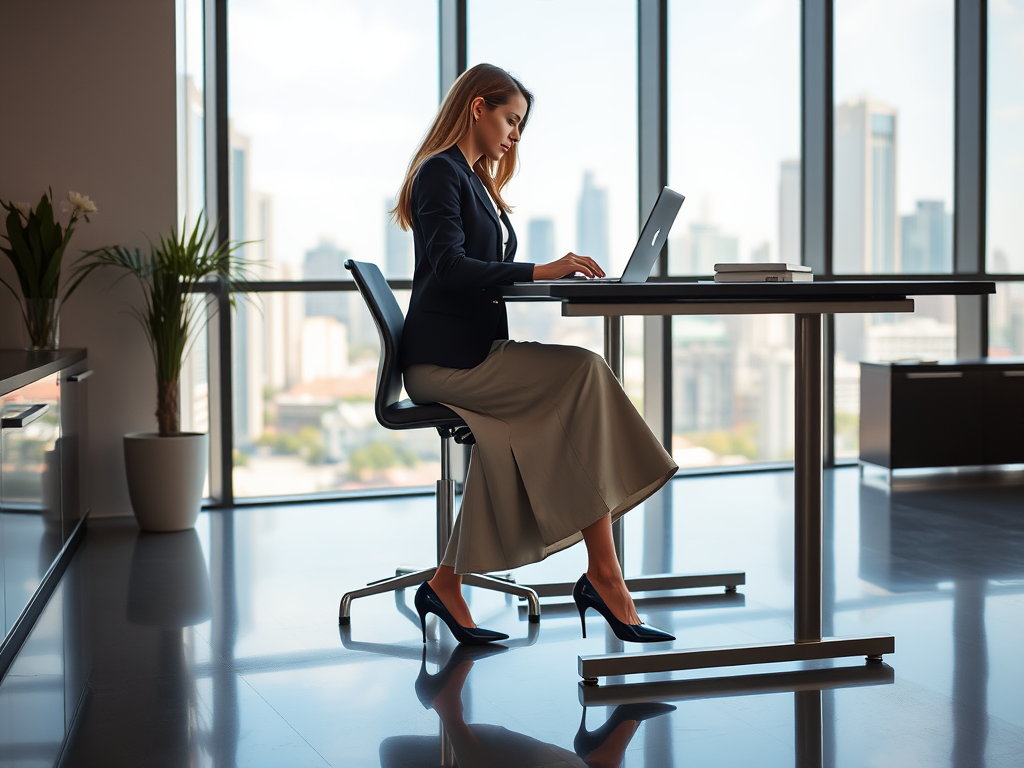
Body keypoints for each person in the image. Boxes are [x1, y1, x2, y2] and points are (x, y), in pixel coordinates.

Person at [394, 63, 678, 645]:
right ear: (478, 107)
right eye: (510, 119)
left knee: (554, 409)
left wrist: (545, 276)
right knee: (583, 373)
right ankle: (605, 575)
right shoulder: (438, 174)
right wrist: (541, 270)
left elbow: (476, 271)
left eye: (520, 124)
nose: (515, 134)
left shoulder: (472, 179)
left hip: (473, 352)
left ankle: (448, 584)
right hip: (445, 365)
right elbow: (448, 269)